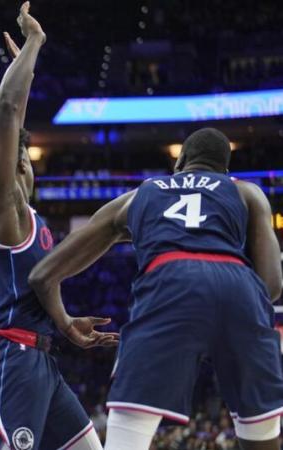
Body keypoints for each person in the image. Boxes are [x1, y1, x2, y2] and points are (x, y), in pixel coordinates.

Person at [29, 127, 283, 450]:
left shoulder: (143, 193)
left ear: (181, 162)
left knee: (126, 442)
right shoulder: (247, 192)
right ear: (225, 172)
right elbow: (271, 286)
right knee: (260, 438)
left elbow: (42, 276)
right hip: (239, 286)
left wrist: (64, 321)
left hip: (169, 282)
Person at [0, 3, 116, 449]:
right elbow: (8, 108)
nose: (23, 172)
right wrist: (33, 45)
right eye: (14, 163)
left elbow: (39, 284)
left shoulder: (34, 219)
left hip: (41, 358)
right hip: (7, 353)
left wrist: (65, 324)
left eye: (26, 164)